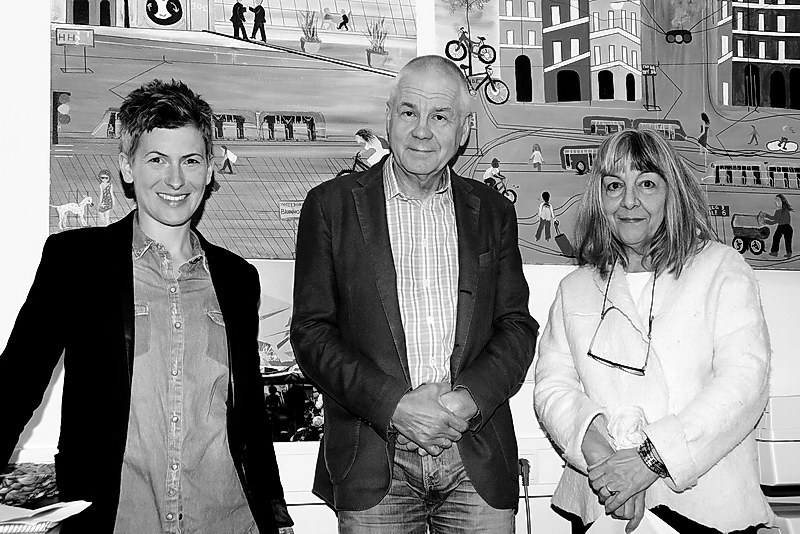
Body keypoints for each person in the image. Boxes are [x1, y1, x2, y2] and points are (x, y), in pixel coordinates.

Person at [0, 80, 294, 534]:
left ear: (210, 169)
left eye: (190, 160)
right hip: (115, 520)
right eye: (157, 159)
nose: (175, 180)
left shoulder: (238, 278)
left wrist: (277, 513)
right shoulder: (75, 261)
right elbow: (16, 384)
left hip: (229, 520)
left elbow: (249, 411)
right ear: (127, 166)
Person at [291, 55, 538, 532]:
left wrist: (467, 400)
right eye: (409, 111)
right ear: (388, 117)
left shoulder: (493, 212)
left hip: (475, 457)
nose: (421, 130)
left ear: (464, 131)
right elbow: (312, 333)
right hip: (373, 462)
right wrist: (395, 407)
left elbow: (517, 326)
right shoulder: (329, 206)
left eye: (440, 116)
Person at [533, 129, 772, 534]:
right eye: (614, 186)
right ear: (599, 199)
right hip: (603, 502)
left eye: (646, 184)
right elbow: (552, 387)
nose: (629, 201)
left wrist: (650, 460)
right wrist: (604, 463)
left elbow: (745, 382)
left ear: (671, 193)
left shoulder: (720, 268)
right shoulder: (575, 287)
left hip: (705, 508)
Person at [762, 193, 793, 258]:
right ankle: (777, 252)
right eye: (775, 201)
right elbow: (774, 218)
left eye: (777, 201)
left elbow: (774, 221)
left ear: (781, 202)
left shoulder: (780, 211)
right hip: (784, 227)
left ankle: (777, 252)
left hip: (784, 227)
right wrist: (766, 215)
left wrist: (766, 221)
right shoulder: (783, 210)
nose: (775, 203)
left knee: (780, 239)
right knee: (778, 238)